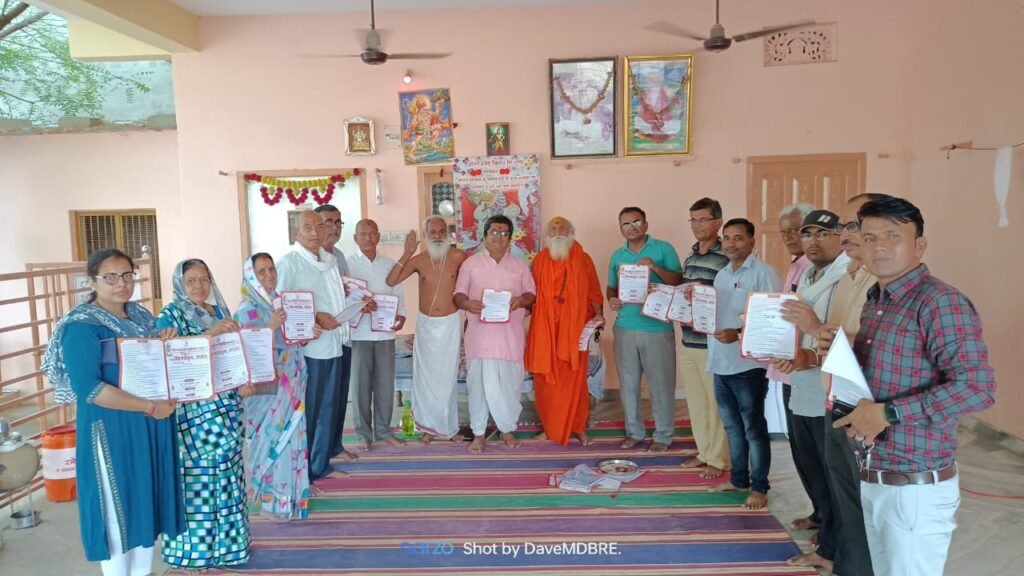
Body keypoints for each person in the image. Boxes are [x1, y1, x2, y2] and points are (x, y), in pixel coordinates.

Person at [834, 196, 995, 576]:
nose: (880, 247)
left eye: (893, 235)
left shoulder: (939, 302)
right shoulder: (878, 300)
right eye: (870, 238)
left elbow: (978, 387)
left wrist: (889, 413)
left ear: (919, 245)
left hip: (915, 484)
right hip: (877, 470)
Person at [41, 248, 184, 576]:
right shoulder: (82, 327)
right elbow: (90, 390)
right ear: (92, 282)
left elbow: (156, 367)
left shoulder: (141, 318)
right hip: (111, 429)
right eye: (110, 277)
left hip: (148, 426)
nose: (121, 284)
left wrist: (166, 341)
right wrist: (150, 407)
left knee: (145, 508)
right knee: (117, 516)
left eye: (127, 275)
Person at [811, 193, 892, 576]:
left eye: (853, 225)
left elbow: (876, 348)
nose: (844, 234)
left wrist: (815, 328)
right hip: (836, 399)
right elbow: (837, 340)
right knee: (844, 494)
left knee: (867, 501)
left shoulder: (884, 281)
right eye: (843, 225)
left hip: (866, 409)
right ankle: (848, 564)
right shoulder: (849, 276)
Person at [157, 258, 250, 569]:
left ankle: (231, 548)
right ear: (179, 284)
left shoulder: (219, 311)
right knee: (197, 479)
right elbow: (167, 355)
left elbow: (234, 353)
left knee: (228, 474)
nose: (199, 285)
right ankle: (194, 552)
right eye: (191, 280)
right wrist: (210, 334)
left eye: (204, 279)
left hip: (226, 408)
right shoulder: (170, 315)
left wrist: (244, 380)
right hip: (194, 415)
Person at [772, 209, 850, 570]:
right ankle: (821, 516)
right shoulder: (809, 273)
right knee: (807, 459)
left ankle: (831, 548)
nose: (813, 241)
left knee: (830, 469)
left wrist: (811, 353)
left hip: (828, 384)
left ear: (841, 236)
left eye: (822, 233)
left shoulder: (847, 277)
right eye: (808, 234)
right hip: (801, 377)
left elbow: (843, 335)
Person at [235, 252, 320, 519]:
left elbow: (292, 339)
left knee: (292, 437)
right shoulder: (246, 310)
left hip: (292, 380)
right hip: (265, 389)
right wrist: (270, 327)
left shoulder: (282, 302)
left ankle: (291, 493)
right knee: (268, 440)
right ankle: (267, 502)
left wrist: (306, 334)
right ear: (251, 277)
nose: (269, 275)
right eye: (261, 271)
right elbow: (246, 350)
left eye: (271, 269)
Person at [705, 218, 781, 510]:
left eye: (738, 238)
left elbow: (772, 318)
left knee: (753, 429)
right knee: (732, 427)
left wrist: (737, 334)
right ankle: (739, 479)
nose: (731, 243)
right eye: (727, 238)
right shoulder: (722, 275)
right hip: (721, 362)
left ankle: (760, 488)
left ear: (752, 241)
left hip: (748, 364)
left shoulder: (764, 274)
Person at [276, 210, 356, 482]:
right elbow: (278, 306)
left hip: (333, 343)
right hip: (307, 350)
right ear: (296, 232)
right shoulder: (289, 263)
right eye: (307, 227)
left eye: (318, 226)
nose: (314, 232)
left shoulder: (330, 261)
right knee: (308, 412)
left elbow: (333, 299)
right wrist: (314, 317)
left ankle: (319, 466)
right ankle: (301, 473)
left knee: (327, 408)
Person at [454, 215, 537, 454]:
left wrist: (521, 300)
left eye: (503, 233)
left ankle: (507, 429)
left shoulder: (519, 266)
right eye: (494, 232)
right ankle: (479, 434)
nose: (498, 236)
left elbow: (531, 294)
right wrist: (467, 304)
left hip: (510, 338)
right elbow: (458, 295)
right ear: (484, 236)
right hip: (480, 338)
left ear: (510, 238)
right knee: (479, 387)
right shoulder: (471, 264)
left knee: (509, 386)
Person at [607, 206, 683, 452]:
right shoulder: (617, 256)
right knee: (628, 385)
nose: (632, 228)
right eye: (625, 224)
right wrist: (612, 299)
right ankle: (634, 432)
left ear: (646, 224)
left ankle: (663, 435)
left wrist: (655, 268)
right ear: (621, 229)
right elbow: (611, 287)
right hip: (625, 327)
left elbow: (679, 281)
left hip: (657, 327)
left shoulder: (663, 249)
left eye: (636, 222)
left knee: (661, 385)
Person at [386, 215, 467, 443]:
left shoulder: (458, 256)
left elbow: (471, 283)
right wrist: (407, 252)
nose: (438, 236)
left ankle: (449, 429)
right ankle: (429, 428)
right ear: (426, 235)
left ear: (448, 234)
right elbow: (391, 281)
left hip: (450, 324)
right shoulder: (419, 260)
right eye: (433, 232)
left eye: (442, 231)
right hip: (426, 325)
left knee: (447, 377)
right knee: (426, 378)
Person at [525, 216, 604, 446]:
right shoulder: (540, 260)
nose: (558, 232)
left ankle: (578, 427)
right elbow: (531, 293)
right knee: (545, 381)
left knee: (576, 381)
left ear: (571, 233)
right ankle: (550, 428)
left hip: (574, 330)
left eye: (563, 228)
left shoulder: (583, 259)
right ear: (547, 235)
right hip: (545, 330)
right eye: (554, 228)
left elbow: (593, 291)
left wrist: (599, 316)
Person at [677, 197, 731, 478]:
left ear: (718, 222)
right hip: (688, 339)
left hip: (713, 343)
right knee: (697, 403)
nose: (697, 225)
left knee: (715, 404)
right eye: (693, 220)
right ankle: (704, 452)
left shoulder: (726, 257)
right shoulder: (692, 256)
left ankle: (719, 459)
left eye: (703, 219)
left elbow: (728, 298)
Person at [347, 219, 407, 450]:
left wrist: (401, 315)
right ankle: (363, 433)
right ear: (355, 238)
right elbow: (341, 298)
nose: (368, 238)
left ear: (379, 237)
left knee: (385, 386)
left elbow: (398, 291)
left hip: (385, 334)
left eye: (372, 234)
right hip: (359, 334)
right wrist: (358, 307)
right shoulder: (347, 266)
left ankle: (383, 431)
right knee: (360, 387)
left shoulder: (389, 265)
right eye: (363, 234)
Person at [314, 204, 355, 460]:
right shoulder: (308, 258)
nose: (334, 227)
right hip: (319, 342)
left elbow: (343, 291)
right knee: (323, 401)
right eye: (328, 222)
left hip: (343, 336)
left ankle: (335, 447)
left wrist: (357, 298)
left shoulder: (338, 256)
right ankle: (318, 457)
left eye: (338, 222)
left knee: (339, 395)